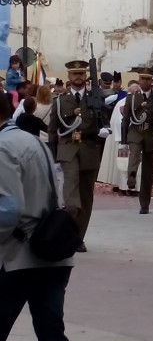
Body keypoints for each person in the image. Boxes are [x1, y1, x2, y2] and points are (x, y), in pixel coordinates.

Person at [0, 91, 76, 341]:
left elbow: (6, 212)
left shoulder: (3, 147)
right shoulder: (33, 141)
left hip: (17, 257)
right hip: (52, 253)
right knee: (52, 339)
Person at [48, 59, 111, 253]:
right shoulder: (60, 101)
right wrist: (52, 157)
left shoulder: (95, 99)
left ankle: (77, 237)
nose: (78, 77)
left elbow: (105, 123)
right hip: (68, 148)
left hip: (90, 147)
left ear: (86, 77)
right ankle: (67, 232)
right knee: (72, 197)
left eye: (81, 74)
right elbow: (53, 131)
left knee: (86, 196)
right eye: (74, 74)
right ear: (69, 77)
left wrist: (104, 131)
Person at [121, 69, 153, 215]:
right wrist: (123, 139)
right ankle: (132, 175)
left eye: (147, 79)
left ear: (151, 81)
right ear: (139, 81)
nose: (145, 81)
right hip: (135, 132)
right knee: (134, 152)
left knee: (148, 170)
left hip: (150, 133)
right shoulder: (132, 98)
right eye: (142, 79)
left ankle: (144, 203)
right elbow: (126, 119)